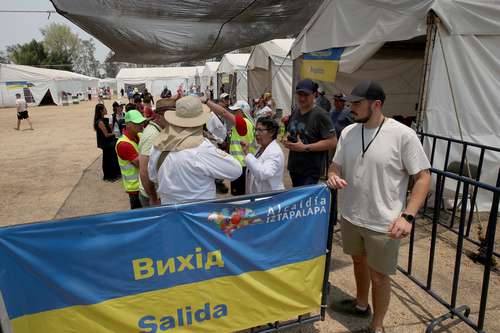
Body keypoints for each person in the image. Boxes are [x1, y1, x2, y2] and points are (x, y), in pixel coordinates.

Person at [327, 81, 431, 333]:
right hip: (351, 216)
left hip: (384, 223)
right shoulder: (349, 131)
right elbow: (335, 165)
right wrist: (332, 174)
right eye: (351, 103)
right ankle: (361, 304)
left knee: (379, 276)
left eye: (357, 103)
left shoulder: (403, 135)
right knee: (358, 262)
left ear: (376, 104)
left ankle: (377, 326)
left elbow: (423, 177)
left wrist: (407, 216)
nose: (352, 107)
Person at [148, 96, 242, 204]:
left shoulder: (158, 146)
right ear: (200, 121)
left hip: (169, 212)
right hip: (198, 214)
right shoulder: (202, 148)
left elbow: (153, 177)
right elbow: (236, 170)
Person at [283, 79, 337, 187]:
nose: (302, 98)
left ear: (315, 95)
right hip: (294, 167)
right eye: (299, 94)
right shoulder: (296, 111)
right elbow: (291, 131)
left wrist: (305, 147)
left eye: (306, 95)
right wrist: (286, 139)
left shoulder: (321, 115)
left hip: (310, 171)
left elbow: (332, 141)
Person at [207, 99, 256, 196]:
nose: (233, 113)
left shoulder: (243, 123)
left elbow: (224, 113)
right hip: (245, 163)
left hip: (241, 165)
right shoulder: (249, 123)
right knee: (244, 194)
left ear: (242, 112)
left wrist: (207, 101)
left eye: (235, 111)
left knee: (239, 197)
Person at [138, 98, 175, 207]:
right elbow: (144, 172)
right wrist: (153, 198)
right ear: (158, 116)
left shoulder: (160, 128)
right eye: (169, 117)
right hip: (153, 194)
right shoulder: (152, 135)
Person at [241, 117, 284, 194]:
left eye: (260, 130)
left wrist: (247, 153)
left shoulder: (275, 152)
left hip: (269, 198)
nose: (256, 133)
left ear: (271, 132)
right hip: (258, 196)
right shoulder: (261, 147)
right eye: (256, 129)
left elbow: (263, 173)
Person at [116, 110, 147, 209]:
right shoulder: (123, 144)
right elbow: (141, 164)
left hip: (142, 183)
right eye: (137, 123)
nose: (141, 124)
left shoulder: (139, 135)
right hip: (135, 188)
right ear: (128, 125)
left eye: (141, 122)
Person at [93, 104, 121, 181]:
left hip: (108, 141)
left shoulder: (104, 119)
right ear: (101, 111)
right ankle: (110, 175)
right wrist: (115, 133)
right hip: (105, 142)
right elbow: (106, 135)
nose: (106, 110)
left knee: (109, 158)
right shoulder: (100, 122)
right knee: (108, 159)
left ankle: (113, 174)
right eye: (104, 109)